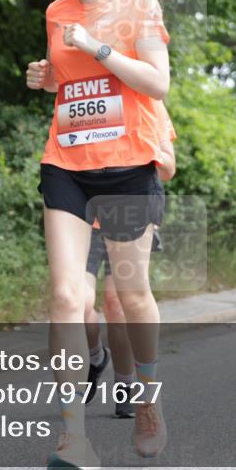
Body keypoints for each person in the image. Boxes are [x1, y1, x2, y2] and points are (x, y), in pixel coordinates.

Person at [25, 0, 182, 470]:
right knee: (67, 298)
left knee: (132, 297)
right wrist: (48, 79)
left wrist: (97, 48)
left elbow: (157, 83)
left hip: (127, 168)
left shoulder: (140, 5)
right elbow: (75, 94)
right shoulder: (56, 10)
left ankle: (147, 398)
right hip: (66, 164)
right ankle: (73, 438)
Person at [83, 101, 176, 419]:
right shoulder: (88, 98)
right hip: (82, 216)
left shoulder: (150, 102)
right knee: (77, 306)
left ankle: (126, 386)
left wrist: (143, 154)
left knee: (116, 303)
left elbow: (168, 167)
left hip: (128, 211)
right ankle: (96, 357)